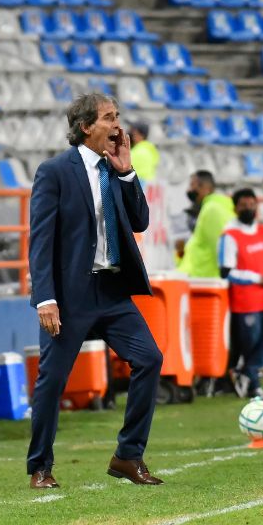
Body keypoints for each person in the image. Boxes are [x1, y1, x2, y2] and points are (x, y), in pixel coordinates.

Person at [27, 93, 164, 488]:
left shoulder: (114, 169)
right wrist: (45, 297)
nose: (118, 125)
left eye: (118, 117)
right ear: (86, 126)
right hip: (70, 296)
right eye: (109, 117)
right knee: (52, 381)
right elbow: (40, 239)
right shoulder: (54, 171)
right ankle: (40, 467)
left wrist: (127, 171)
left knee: (149, 359)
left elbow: (139, 222)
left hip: (112, 290)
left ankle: (127, 456)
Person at [219, 188, 263, 399]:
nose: (248, 208)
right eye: (244, 205)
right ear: (235, 208)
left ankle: (246, 372)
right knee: (251, 344)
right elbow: (226, 272)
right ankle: (253, 386)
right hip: (245, 300)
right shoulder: (230, 235)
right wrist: (257, 278)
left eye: (251, 204)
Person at [177, 170, 235, 278]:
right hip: (200, 279)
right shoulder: (210, 208)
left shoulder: (212, 210)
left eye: (192, 185)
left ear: (205, 187)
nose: (189, 190)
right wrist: (180, 253)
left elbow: (220, 250)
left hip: (206, 281)